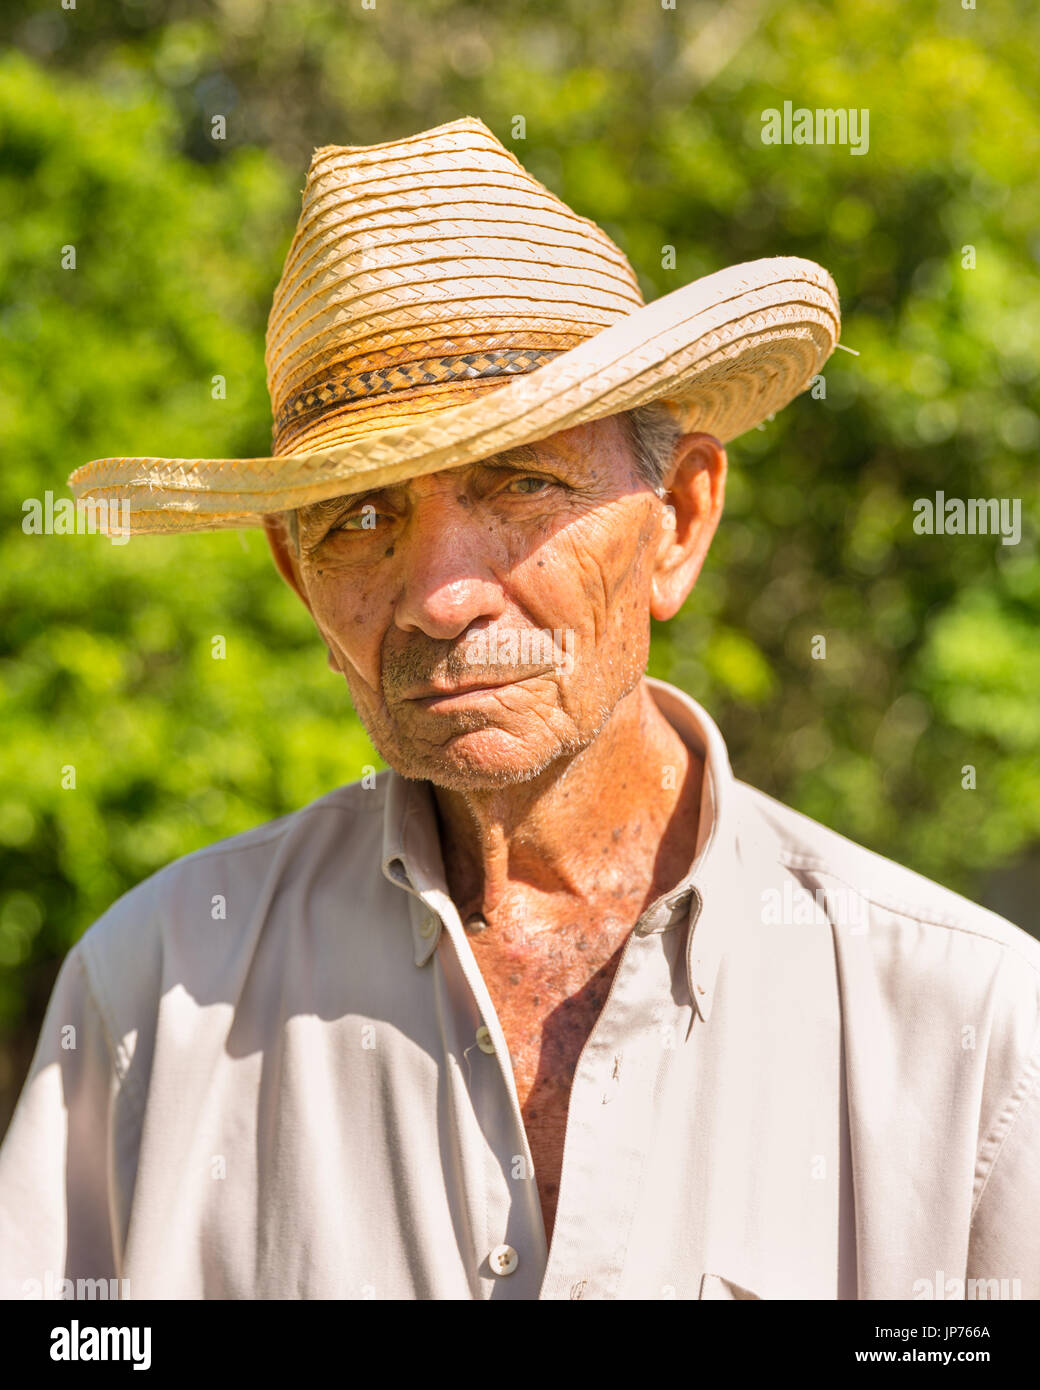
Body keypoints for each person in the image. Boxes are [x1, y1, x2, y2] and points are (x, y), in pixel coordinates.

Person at [1, 118, 1036, 1301]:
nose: (441, 596)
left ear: (679, 521)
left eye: (522, 484)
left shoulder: (969, 1033)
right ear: (300, 584)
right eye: (360, 520)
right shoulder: (150, 995)